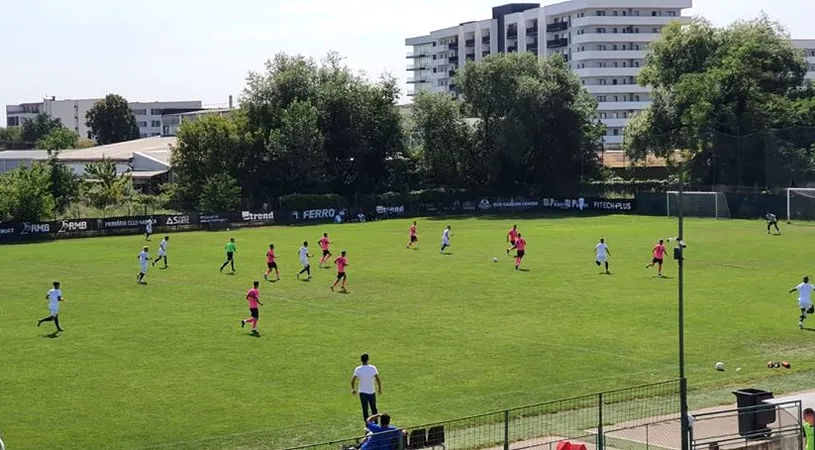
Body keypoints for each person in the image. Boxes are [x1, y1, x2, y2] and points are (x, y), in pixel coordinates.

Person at [351, 353, 382, 423]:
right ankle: (376, 422)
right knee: (374, 408)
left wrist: (353, 389)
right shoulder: (372, 368)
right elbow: (377, 379)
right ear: (368, 359)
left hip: (362, 392)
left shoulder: (358, 369)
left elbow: (353, 380)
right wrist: (379, 388)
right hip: (371, 391)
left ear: (361, 360)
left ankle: (367, 425)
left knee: (365, 409)